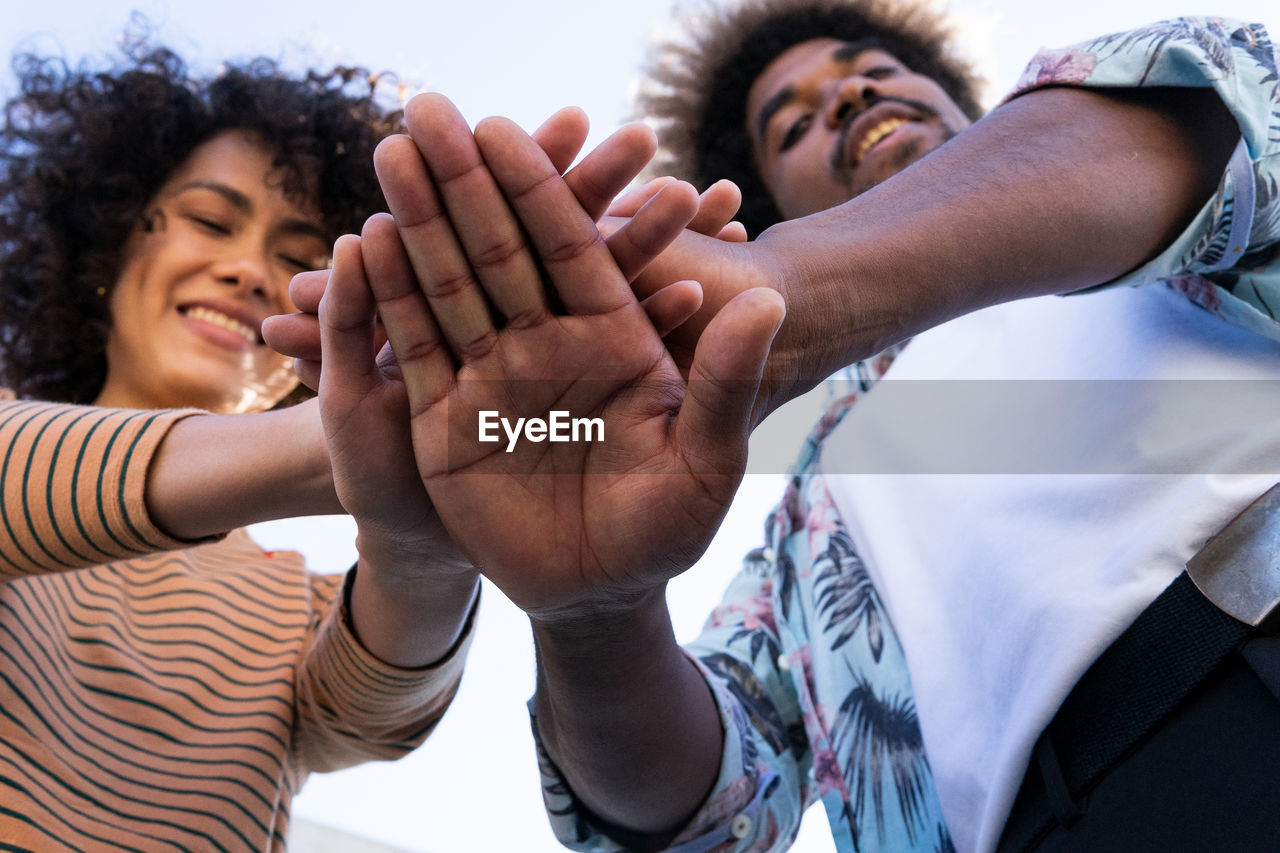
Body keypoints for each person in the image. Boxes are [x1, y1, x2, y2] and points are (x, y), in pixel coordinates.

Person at [286, 1, 1278, 851]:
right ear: (767, 201)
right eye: (791, 123)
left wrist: (794, 286)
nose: (844, 98)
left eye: (869, 70)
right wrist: (592, 613)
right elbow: (706, 816)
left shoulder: (1156, 200)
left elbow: (1230, 108)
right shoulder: (806, 507)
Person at [0, 40, 488, 849]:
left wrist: (433, 515)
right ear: (112, 243)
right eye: (208, 219)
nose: (249, 271)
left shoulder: (300, 609)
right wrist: (325, 446)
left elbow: (377, 712)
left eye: (301, 261)